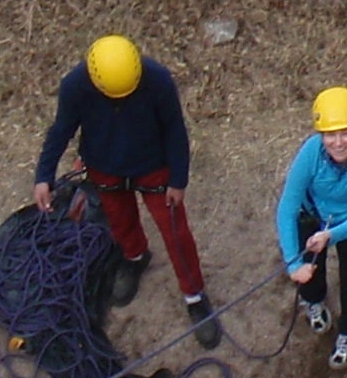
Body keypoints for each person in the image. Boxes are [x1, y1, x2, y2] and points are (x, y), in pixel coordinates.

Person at [33, 34, 220, 350]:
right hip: (105, 166)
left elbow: (175, 129)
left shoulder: (158, 80)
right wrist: (44, 176)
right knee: (120, 221)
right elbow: (61, 129)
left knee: (176, 233)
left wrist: (178, 180)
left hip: (153, 166)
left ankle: (194, 294)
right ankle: (135, 256)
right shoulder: (75, 86)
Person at [276, 85, 347, 370]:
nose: (338, 142)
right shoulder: (311, 152)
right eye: (330, 135)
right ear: (321, 135)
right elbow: (287, 208)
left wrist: (331, 236)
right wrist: (293, 267)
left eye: (346, 133)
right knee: (308, 266)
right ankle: (313, 299)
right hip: (313, 215)